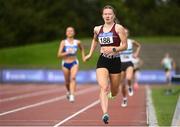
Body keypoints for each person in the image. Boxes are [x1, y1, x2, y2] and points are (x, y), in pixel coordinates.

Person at [84, 5, 127, 124]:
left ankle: (112, 94)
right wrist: (90, 54)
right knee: (104, 87)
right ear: (102, 16)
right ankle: (105, 114)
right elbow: (95, 40)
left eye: (110, 14)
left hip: (115, 61)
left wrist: (114, 49)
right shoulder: (97, 29)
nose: (107, 16)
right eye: (105, 14)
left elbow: (125, 45)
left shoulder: (119, 28)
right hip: (103, 60)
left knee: (114, 91)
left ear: (114, 16)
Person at [57, 26, 85, 102]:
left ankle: (72, 95)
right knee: (67, 82)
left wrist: (83, 57)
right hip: (65, 63)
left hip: (74, 62)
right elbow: (58, 55)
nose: (69, 32)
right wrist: (67, 52)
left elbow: (82, 49)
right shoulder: (63, 42)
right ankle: (69, 91)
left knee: (73, 78)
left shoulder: (78, 42)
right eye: (68, 31)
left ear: (74, 33)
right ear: (66, 33)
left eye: (71, 31)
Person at [120, 28, 141, 107]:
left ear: (128, 34)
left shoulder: (131, 41)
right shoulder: (118, 42)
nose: (125, 34)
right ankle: (124, 99)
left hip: (129, 63)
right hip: (120, 64)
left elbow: (139, 46)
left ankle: (129, 86)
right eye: (123, 33)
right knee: (122, 85)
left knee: (129, 78)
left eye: (126, 33)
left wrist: (136, 54)